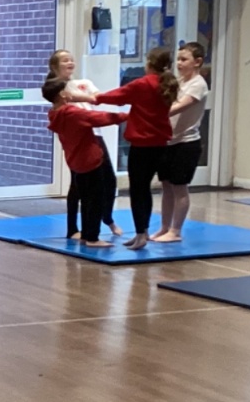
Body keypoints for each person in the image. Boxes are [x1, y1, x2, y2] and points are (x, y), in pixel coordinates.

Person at [96, 48, 178, 249]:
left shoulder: (143, 84)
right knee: (145, 190)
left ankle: (141, 234)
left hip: (142, 146)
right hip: (161, 145)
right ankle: (144, 231)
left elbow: (117, 96)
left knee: (138, 191)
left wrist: (94, 97)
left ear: (149, 63)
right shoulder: (168, 84)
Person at [46, 79, 129, 249]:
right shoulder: (72, 113)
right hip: (90, 161)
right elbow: (100, 118)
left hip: (76, 161)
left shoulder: (55, 114)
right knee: (95, 200)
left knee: (86, 199)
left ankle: (86, 234)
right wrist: (129, 115)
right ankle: (92, 237)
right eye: (68, 90)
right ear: (62, 95)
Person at [155, 42, 209, 243]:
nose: (179, 63)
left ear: (197, 62)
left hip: (186, 143)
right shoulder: (178, 82)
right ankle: (164, 227)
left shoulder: (198, 84)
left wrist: (152, 115)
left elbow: (178, 107)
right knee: (166, 186)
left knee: (179, 187)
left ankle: (175, 230)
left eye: (184, 59)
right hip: (168, 141)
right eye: (178, 59)